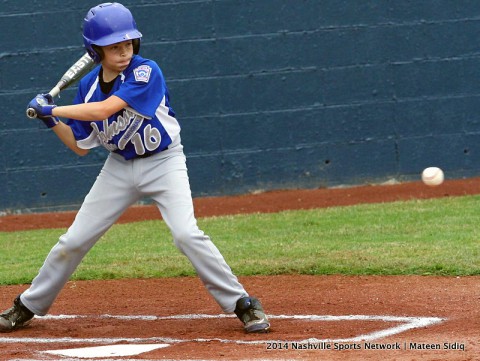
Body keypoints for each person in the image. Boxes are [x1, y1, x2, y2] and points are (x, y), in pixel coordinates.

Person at [0, 2, 270, 334]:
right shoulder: (87, 88)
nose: (124, 51)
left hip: (164, 162)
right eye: (114, 46)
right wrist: (50, 119)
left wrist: (57, 107)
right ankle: (26, 305)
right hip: (118, 168)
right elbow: (79, 146)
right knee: (73, 240)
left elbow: (104, 111)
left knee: (186, 234)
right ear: (95, 50)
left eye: (128, 43)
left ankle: (243, 304)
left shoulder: (146, 71)